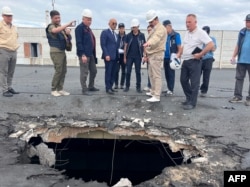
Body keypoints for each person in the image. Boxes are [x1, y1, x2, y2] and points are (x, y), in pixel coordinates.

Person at [180, 14, 214, 110]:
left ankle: (192, 103)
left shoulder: (201, 32)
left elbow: (210, 44)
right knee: (183, 80)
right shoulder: (187, 33)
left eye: (189, 22)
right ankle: (189, 98)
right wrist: (179, 54)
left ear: (195, 22)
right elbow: (183, 46)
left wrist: (201, 54)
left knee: (194, 83)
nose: (187, 24)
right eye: (186, 22)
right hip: (185, 60)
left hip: (195, 61)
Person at [46, 10, 75, 97]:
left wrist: (68, 33)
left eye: (59, 17)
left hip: (62, 51)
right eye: (56, 18)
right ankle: (53, 89)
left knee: (63, 71)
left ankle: (60, 88)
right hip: (55, 51)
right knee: (58, 70)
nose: (58, 19)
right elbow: (55, 31)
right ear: (51, 18)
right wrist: (67, 24)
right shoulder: (50, 26)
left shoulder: (60, 27)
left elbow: (66, 38)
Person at [143, 10, 167, 102]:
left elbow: (156, 38)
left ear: (156, 19)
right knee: (151, 74)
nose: (150, 23)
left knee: (156, 75)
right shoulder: (155, 28)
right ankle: (153, 91)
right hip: (152, 53)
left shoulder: (160, 28)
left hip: (156, 54)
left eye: (151, 21)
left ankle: (157, 95)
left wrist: (148, 43)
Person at [75, 9, 99, 96]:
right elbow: (79, 42)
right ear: (83, 19)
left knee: (94, 71)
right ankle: (84, 90)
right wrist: (82, 54)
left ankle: (91, 86)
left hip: (91, 54)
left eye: (90, 19)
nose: (90, 21)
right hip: (84, 54)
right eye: (88, 19)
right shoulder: (79, 28)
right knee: (84, 72)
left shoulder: (88, 29)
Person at [229, 14, 250, 106]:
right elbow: (238, 45)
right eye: (247, 21)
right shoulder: (242, 32)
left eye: (249, 22)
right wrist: (233, 56)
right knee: (239, 78)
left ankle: (249, 99)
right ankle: (237, 96)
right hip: (241, 60)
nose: (247, 23)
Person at [0, 6, 20, 97]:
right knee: (3, 71)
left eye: (11, 16)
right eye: (7, 16)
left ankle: (9, 87)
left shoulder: (14, 27)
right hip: (3, 50)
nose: (9, 17)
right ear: (3, 16)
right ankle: (4, 90)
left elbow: (16, 37)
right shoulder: (0, 26)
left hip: (13, 51)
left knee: (11, 71)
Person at [124, 18, 146, 93]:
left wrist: (144, 56)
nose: (134, 28)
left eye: (135, 27)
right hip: (129, 56)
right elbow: (125, 46)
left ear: (138, 26)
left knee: (138, 72)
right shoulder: (128, 35)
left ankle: (138, 87)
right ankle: (127, 86)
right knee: (128, 72)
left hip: (138, 57)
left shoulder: (142, 35)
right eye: (133, 27)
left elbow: (144, 46)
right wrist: (124, 57)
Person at [162, 20, 182, 96]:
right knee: (166, 73)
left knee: (171, 74)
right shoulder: (165, 36)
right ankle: (168, 88)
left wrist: (178, 56)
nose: (164, 30)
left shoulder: (176, 35)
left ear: (169, 26)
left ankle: (171, 89)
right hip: (165, 57)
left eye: (165, 28)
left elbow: (179, 47)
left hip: (172, 58)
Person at [100, 18, 118, 95]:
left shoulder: (116, 35)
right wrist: (106, 54)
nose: (114, 25)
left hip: (115, 57)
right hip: (108, 57)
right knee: (108, 72)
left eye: (116, 24)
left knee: (114, 72)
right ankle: (108, 88)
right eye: (113, 23)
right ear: (109, 23)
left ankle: (111, 86)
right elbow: (103, 45)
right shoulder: (105, 32)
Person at [200, 26, 217, 97]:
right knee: (196, 75)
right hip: (200, 59)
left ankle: (204, 90)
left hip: (208, 59)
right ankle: (194, 88)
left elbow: (213, 49)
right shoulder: (200, 39)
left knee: (206, 76)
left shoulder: (212, 39)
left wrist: (208, 42)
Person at [114, 23, 126, 90]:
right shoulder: (116, 36)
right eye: (120, 28)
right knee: (116, 71)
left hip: (124, 56)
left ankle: (122, 84)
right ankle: (116, 84)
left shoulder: (126, 37)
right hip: (117, 56)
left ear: (124, 28)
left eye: (122, 28)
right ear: (118, 29)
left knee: (124, 71)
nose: (121, 29)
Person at [143, 25, 153, 92]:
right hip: (148, 58)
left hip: (153, 59)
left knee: (154, 74)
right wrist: (145, 56)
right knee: (149, 73)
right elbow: (145, 48)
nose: (149, 31)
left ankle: (153, 87)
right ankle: (149, 85)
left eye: (150, 30)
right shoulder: (148, 38)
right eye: (148, 30)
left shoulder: (154, 39)